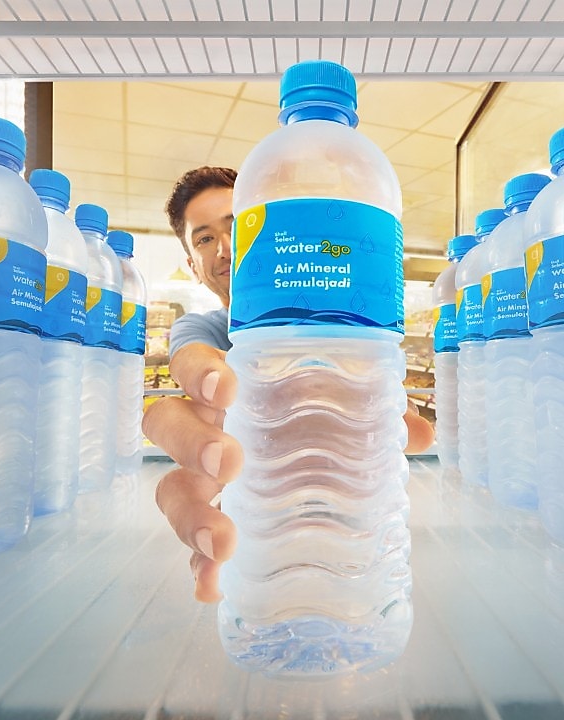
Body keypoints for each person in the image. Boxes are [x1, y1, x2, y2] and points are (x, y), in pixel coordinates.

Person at [144, 166, 435, 602]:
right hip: (265, 541)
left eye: (238, 226)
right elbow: (194, 357)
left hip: (358, 544)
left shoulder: (329, 321)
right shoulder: (200, 328)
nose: (226, 248)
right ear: (192, 266)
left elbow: (403, 431)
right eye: (204, 238)